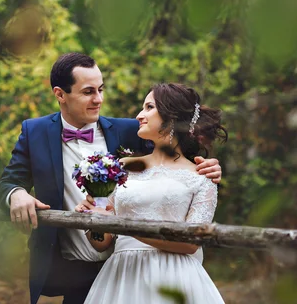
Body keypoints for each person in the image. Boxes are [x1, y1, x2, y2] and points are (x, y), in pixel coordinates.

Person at [0, 53, 223, 304]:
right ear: (60, 94)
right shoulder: (34, 132)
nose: (99, 99)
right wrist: (16, 193)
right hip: (73, 271)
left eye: (101, 89)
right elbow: (8, 181)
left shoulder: (130, 131)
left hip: (138, 270)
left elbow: (172, 154)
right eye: (88, 92)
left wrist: (209, 167)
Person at [75, 83, 227, 304]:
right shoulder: (122, 167)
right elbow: (102, 242)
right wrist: (92, 220)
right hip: (122, 278)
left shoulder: (203, 176)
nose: (139, 115)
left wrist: (121, 223)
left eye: (148, 107)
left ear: (172, 116)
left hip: (175, 278)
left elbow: (191, 243)